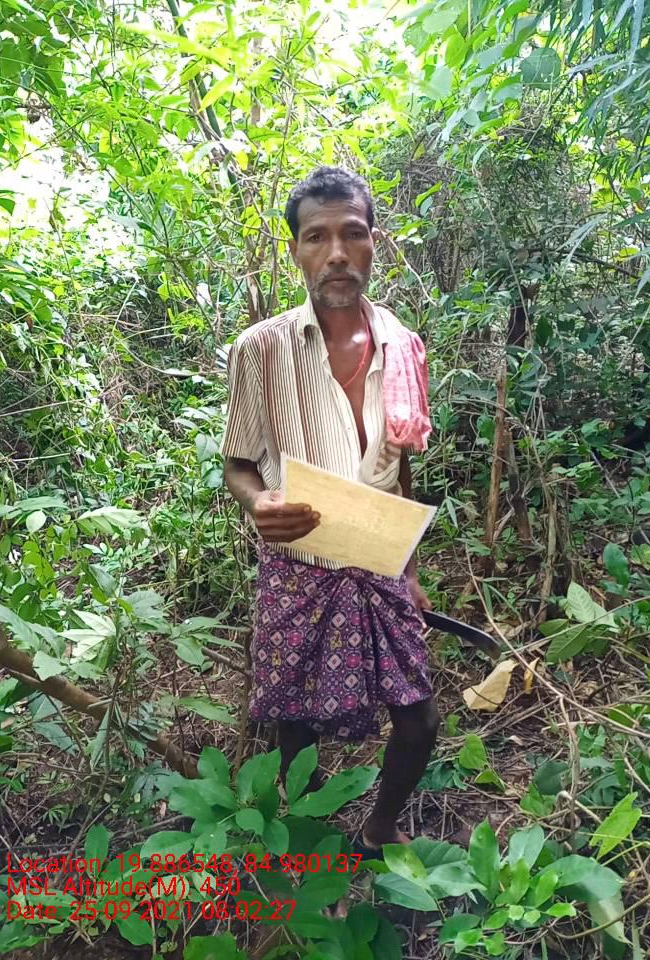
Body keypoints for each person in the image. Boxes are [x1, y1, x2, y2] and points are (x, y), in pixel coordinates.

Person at [221, 166, 439, 851]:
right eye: (317, 237)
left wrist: (409, 568)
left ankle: (377, 831)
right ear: (295, 250)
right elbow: (237, 465)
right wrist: (259, 503)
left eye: (353, 233)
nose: (337, 253)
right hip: (299, 565)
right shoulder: (259, 350)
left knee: (419, 720)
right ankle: (314, 836)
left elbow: (399, 464)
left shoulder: (402, 345)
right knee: (294, 722)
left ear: (374, 241)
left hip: (378, 556)